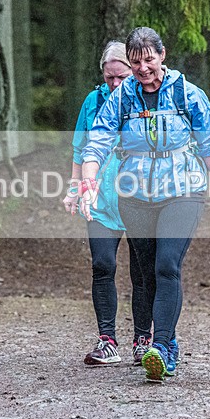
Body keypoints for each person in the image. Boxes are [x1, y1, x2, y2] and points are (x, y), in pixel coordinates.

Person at [79, 27, 210, 382]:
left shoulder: (188, 95)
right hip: (134, 196)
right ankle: (167, 339)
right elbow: (98, 142)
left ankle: (161, 348)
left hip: (183, 191)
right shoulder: (122, 98)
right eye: (136, 63)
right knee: (147, 273)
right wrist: (88, 183)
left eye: (149, 60)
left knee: (167, 266)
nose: (143, 69)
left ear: (162, 56)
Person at [63, 41, 153, 366]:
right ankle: (107, 341)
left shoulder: (146, 99)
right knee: (103, 265)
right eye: (109, 77)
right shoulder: (93, 101)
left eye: (120, 77)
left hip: (140, 198)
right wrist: (75, 188)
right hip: (99, 200)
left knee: (142, 272)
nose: (115, 83)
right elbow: (80, 149)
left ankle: (143, 341)